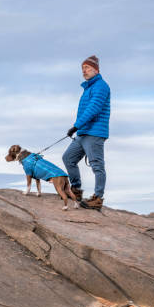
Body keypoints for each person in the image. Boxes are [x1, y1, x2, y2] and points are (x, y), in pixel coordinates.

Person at [63, 55, 110, 210]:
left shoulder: (101, 86)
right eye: (83, 68)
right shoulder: (89, 88)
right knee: (68, 158)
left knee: (97, 165)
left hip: (95, 133)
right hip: (83, 132)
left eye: (87, 68)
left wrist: (75, 126)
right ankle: (76, 190)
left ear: (96, 69)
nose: (84, 71)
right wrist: (78, 128)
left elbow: (94, 109)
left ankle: (97, 198)